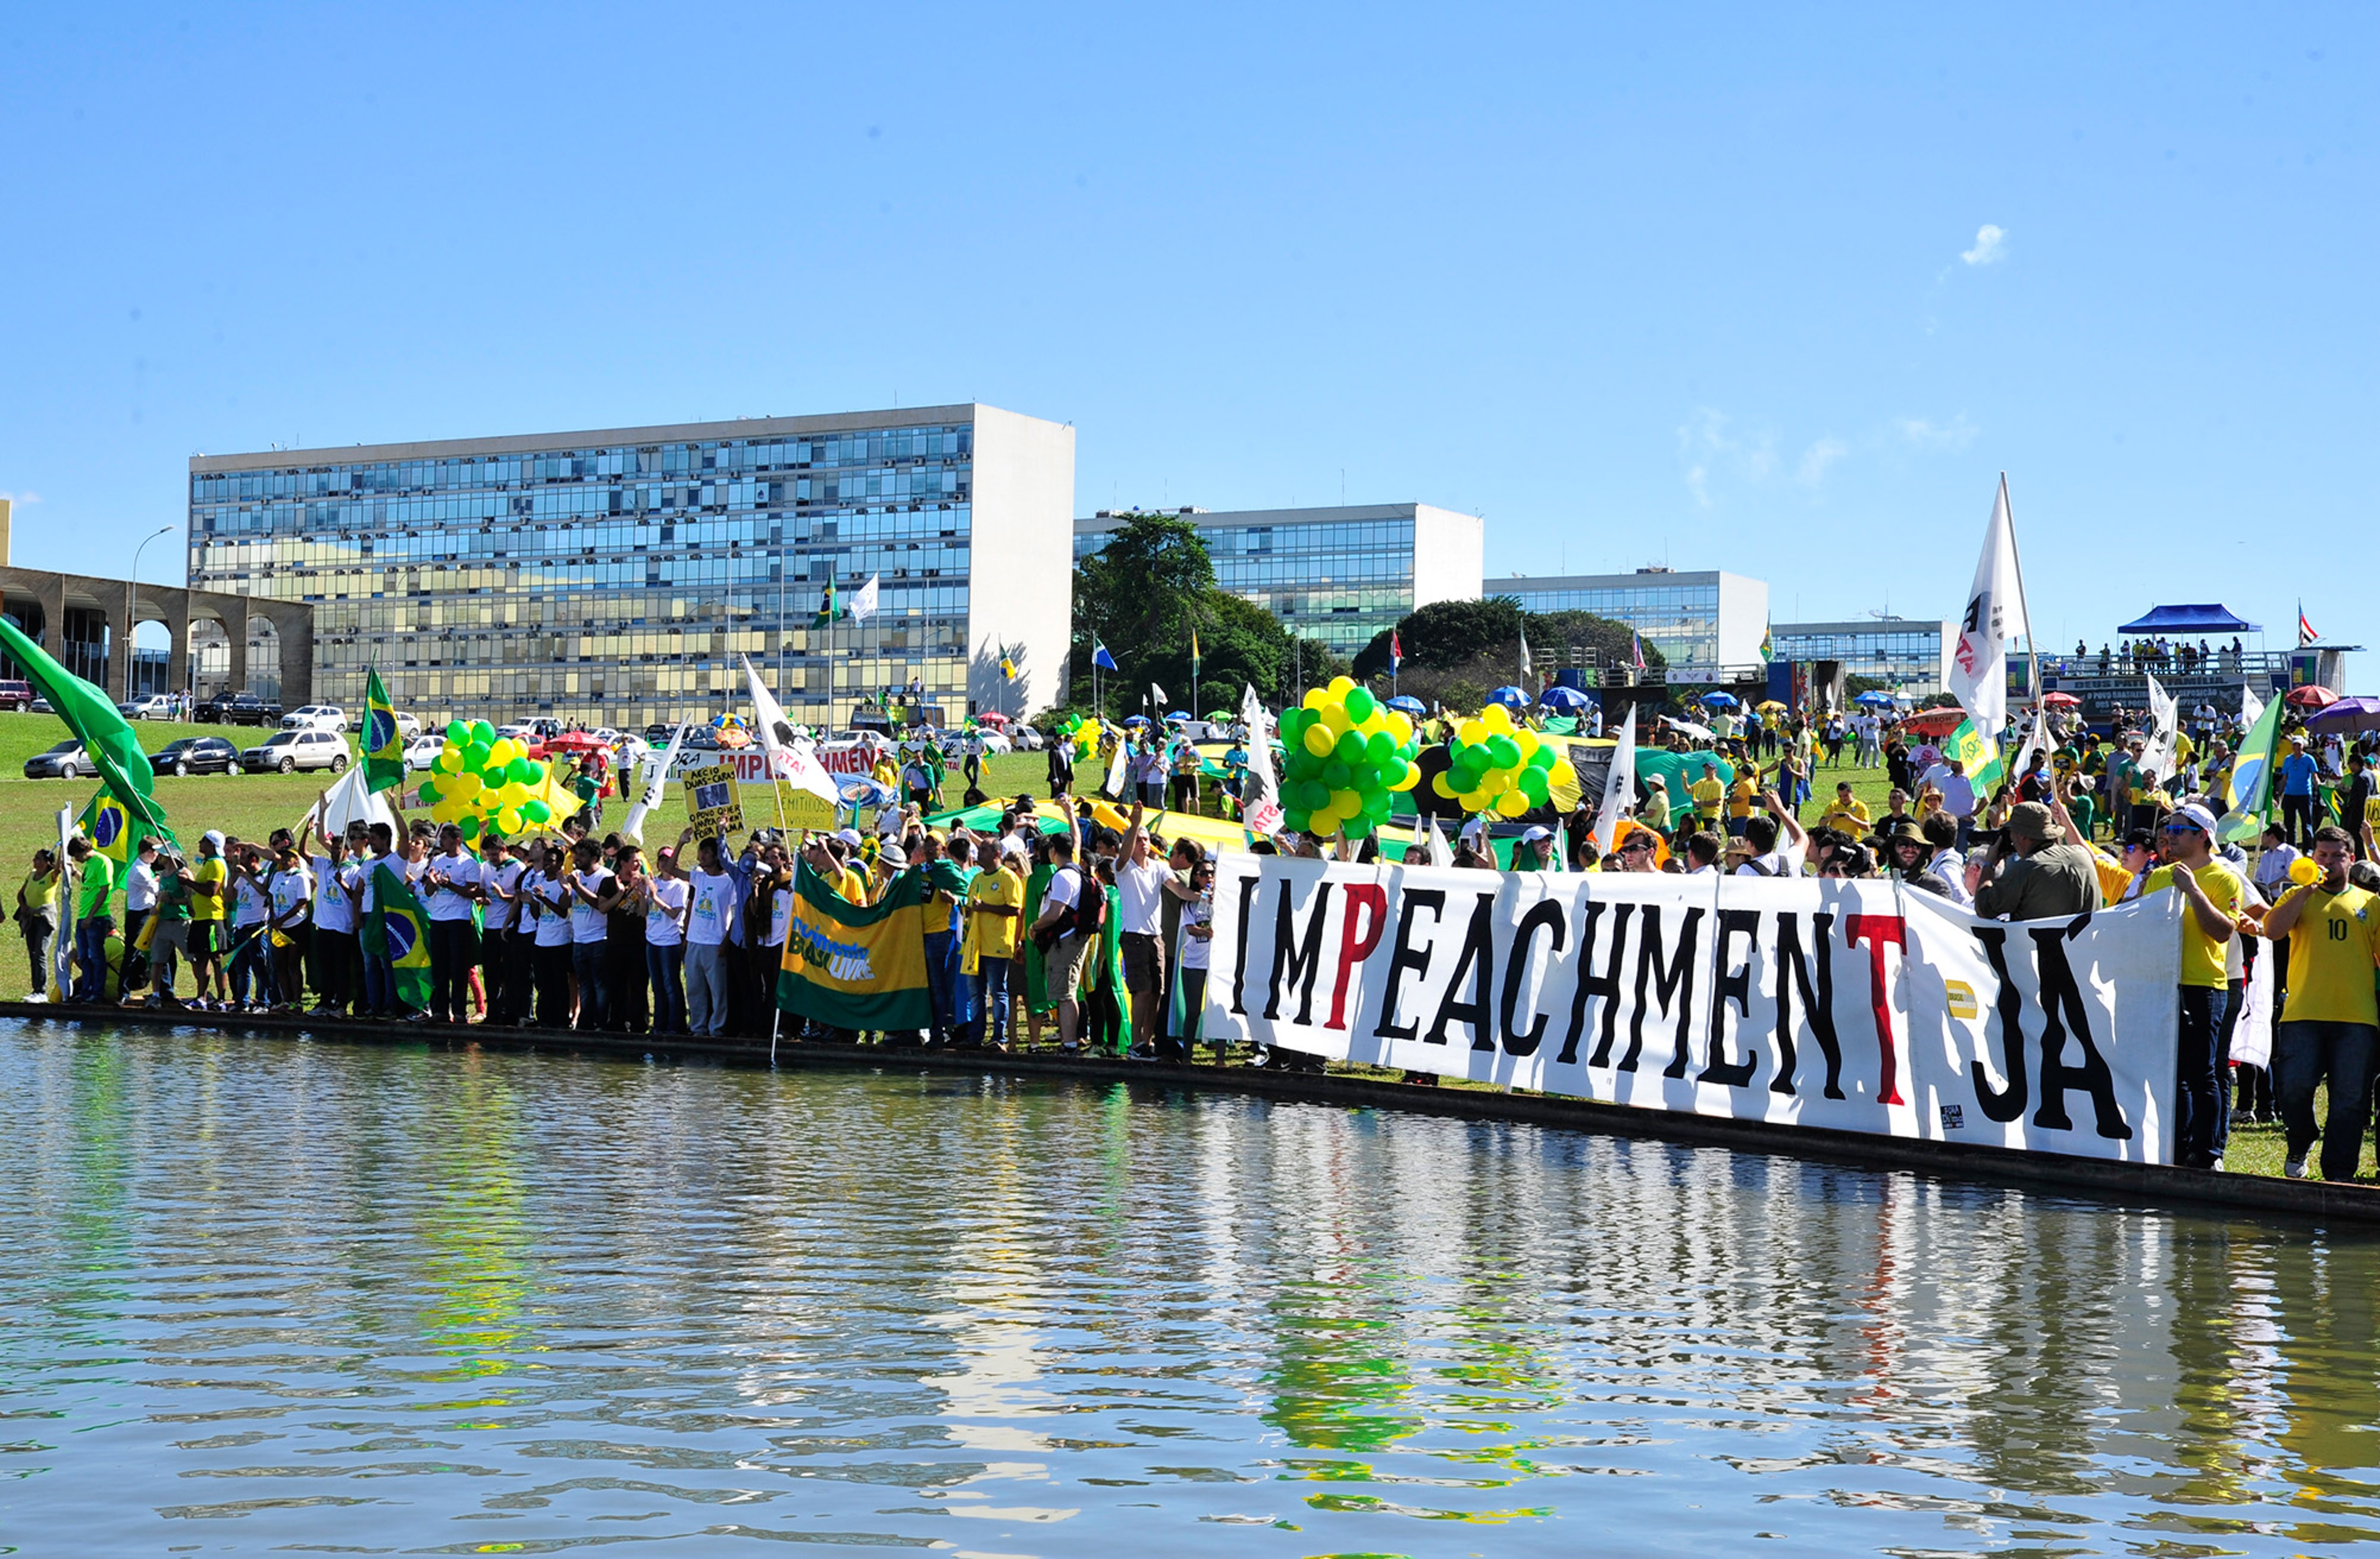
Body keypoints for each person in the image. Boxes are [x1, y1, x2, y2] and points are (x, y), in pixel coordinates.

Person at [2257, 825, 2380, 1181]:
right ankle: (2301, 1139)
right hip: (2303, 1014)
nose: (2328, 862)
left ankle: (2339, 1172)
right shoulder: (2296, 896)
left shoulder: (2370, 903)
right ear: (2313, 857)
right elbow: (2273, 931)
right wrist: (2304, 891)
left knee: (2350, 1101)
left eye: (2337, 856)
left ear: (2351, 860)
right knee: (2293, 1089)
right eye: (2322, 855)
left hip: (2357, 1017)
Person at [2131, 803, 2247, 1169]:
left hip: (2203, 985)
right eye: (2170, 830)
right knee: (2173, 1073)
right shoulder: (2159, 876)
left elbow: (2223, 931)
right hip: (2164, 983)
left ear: (2203, 837)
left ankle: (2208, 1151)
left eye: (2180, 830)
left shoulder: (2223, 877)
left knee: (2203, 1072)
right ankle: (2178, 1148)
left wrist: (2194, 890)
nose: (2170, 836)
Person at [1113, 801, 1173, 1058]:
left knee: (1157, 992)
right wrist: (1135, 823)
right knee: (1143, 990)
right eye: (1139, 840)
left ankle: (1146, 1042)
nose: (1144, 844)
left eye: (1146, 840)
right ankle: (1136, 1042)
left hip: (1155, 936)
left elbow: (1176, 888)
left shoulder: (1160, 867)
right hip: (1134, 935)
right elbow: (1124, 856)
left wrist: (1199, 897)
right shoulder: (1124, 868)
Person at [1972, 801, 2102, 920]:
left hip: (2042, 945)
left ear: (2022, 836)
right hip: (2087, 943)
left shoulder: (2025, 869)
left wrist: (1989, 864)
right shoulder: (2082, 855)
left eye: (2011, 833)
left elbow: (1984, 909)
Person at [1028, 805, 1089, 1051]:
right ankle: (1070, 1041)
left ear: (1053, 851)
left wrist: (1035, 925)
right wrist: (1069, 813)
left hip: (1065, 941)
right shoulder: (1074, 868)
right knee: (1068, 992)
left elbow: (1054, 913)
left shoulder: (1064, 876)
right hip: (1072, 938)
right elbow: (1077, 840)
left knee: (1065, 995)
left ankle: (1069, 1044)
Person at [417, 824, 483, 1024]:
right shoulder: (437, 860)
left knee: (459, 968)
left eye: (445, 839)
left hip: (459, 920)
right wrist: (433, 882)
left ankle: (460, 1012)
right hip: (438, 919)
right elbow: (428, 891)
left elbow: (472, 893)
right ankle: (440, 1011)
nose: (441, 842)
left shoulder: (468, 863)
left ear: (456, 840)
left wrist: (450, 885)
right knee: (440, 968)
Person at [681, 832, 738, 1037]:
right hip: (694, 942)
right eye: (701, 851)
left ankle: (717, 1029)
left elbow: (735, 914)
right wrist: (681, 843)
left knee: (718, 991)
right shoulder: (698, 877)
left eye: (707, 852)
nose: (702, 856)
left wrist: (726, 941)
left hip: (715, 942)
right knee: (695, 990)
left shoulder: (729, 881)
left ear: (717, 855)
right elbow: (670, 870)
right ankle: (698, 1028)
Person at [563, 837, 620, 1029]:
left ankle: (602, 1022)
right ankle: (586, 1023)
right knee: (584, 986)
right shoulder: (575, 875)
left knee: (600, 986)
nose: (577, 859)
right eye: (576, 855)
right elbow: (566, 906)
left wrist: (578, 887)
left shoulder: (606, 877)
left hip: (599, 939)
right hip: (579, 940)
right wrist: (566, 889)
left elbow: (600, 905)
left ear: (595, 857)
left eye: (582, 855)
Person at [636, 844, 690, 1035]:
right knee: (657, 986)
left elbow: (674, 914)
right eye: (662, 860)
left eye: (669, 860)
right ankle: (660, 1024)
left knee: (671, 985)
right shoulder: (653, 882)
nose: (665, 863)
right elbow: (643, 913)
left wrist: (654, 896)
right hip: (652, 941)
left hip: (670, 942)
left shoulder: (679, 887)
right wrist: (643, 895)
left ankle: (676, 1025)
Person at [63, 836, 117, 1004]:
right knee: (84, 957)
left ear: (85, 850)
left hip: (96, 918)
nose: (77, 860)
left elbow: (104, 889)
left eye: (77, 856)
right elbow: (88, 884)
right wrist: (75, 873)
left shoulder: (103, 862)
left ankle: (97, 993)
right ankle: (86, 992)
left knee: (96, 957)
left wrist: (91, 916)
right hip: (83, 917)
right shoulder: (88, 865)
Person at [265, 844, 314, 1014]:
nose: (285, 861)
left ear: (296, 861)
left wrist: (283, 919)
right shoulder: (277, 876)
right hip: (279, 927)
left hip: (296, 926)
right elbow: (271, 896)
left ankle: (297, 1003)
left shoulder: (300, 877)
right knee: (280, 964)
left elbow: (302, 902)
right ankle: (287, 1000)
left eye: (289, 858)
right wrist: (272, 917)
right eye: (283, 858)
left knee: (293, 964)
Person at [186, 830, 230, 1010]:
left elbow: (211, 890)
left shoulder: (216, 865)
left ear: (212, 845)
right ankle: (201, 998)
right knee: (201, 958)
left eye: (203, 841)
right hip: (201, 918)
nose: (199, 843)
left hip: (212, 919)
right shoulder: (208, 864)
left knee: (217, 959)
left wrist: (189, 882)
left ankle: (221, 1000)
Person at [15, 848, 58, 998]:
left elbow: (60, 868)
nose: (35, 861)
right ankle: (35, 989)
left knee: (40, 952)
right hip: (31, 919)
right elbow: (21, 894)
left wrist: (64, 846)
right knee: (32, 953)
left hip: (44, 920)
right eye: (35, 858)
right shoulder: (31, 875)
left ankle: (41, 991)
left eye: (39, 859)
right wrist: (24, 907)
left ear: (47, 863)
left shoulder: (50, 877)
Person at [2278, 734, 2320, 847]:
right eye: (2294, 745)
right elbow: (2284, 778)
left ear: (2303, 746)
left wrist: (2319, 787)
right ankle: (2292, 847)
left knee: (2307, 823)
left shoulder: (2309, 759)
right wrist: (2279, 794)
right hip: (2290, 794)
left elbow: (2314, 776)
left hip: (2304, 794)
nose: (2296, 748)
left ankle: (2308, 848)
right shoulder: (2288, 760)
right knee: (2289, 824)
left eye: (2299, 745)